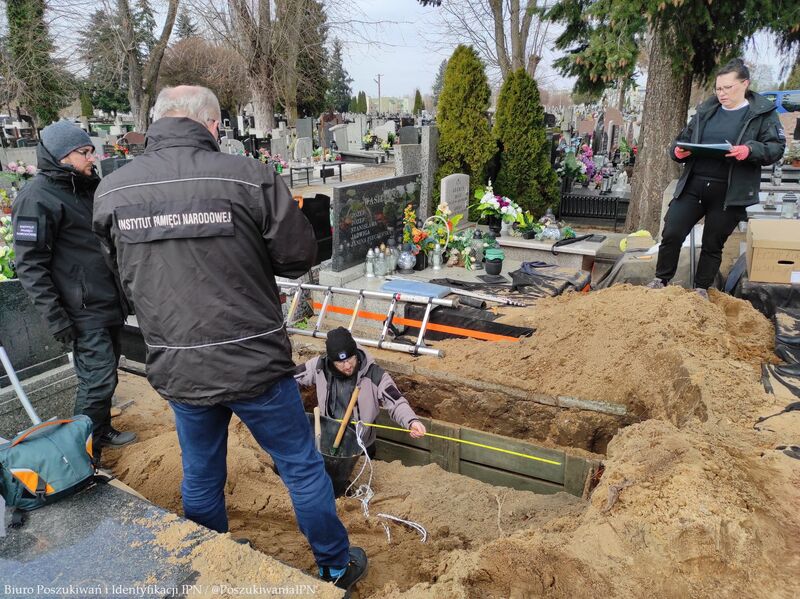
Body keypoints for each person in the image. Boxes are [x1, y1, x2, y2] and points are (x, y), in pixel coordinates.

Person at [92, 86, 366, 594]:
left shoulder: (113, 190)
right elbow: (297, 255)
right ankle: (333, 564)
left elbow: (120, 275)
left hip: (179, 364)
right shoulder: (248, 177)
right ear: (213, 125)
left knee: (201, 472)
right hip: (253, 361)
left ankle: (208, 562)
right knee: (301, 468)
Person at [11, 120, 136, 460]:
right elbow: (30, 265)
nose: (91, 158)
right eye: (84, 152)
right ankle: (77, 454)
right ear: (60, 156)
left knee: (107, 372)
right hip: (80, 309)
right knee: (96, 380)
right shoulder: (36, 197)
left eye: (90, 150)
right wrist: (57, 319)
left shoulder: (86, 187)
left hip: (106, 300)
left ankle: (99, 430)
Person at [648, 58, 786, 298]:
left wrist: (750, 150)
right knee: (672, 232)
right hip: (694, 184)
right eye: (718, 88)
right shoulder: (705, 111)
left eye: (727, 88)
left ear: (744, 84)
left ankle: (701, 288)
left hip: (730, 192)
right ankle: (661, 280)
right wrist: (677, 151)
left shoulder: (762, 114)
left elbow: (775, 148)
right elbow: (681, 140)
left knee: (713, 244)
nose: (721, 94)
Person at [295, 327, 426, 459]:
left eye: (350, 359)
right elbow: (290, 378)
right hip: (327, 440)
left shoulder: (374, 374)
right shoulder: (319, 366)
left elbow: (396, 401)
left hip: (361, 446)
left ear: (356, 353)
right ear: (331, 360)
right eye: (340, 362)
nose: (347, 366)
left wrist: (411, 421)